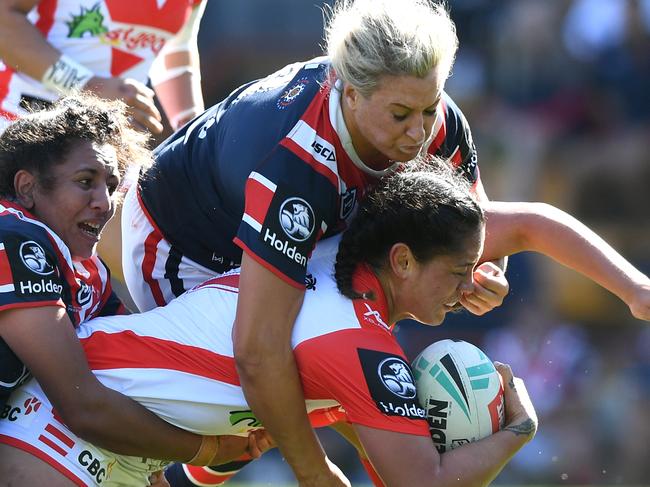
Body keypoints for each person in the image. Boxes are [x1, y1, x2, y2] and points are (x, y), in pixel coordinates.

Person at [121, 2, 509, 483]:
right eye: (401, 114)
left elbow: (487, 225)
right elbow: (258, 350)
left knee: (339, 354)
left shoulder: (434, 116)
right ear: (349, 93)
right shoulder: (296, 163)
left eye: (429, 109)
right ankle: (181, 471)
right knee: (259, 388)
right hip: (186, 246)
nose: (419, 132)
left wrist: (486, 269)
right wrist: (314, 471)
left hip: (300, 225)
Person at [0, 163, 539, 487]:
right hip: (64, 433)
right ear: (401, 261)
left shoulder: (331, 263)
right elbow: (421, 482)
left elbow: (386, 463)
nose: (468, 287)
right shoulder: (357, 344)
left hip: (117, 449)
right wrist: (520, 431)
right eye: (457, 272)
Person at [0, 94, 262, 470]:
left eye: (111, 185)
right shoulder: (14, 237)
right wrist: (207, 451)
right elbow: (84, 407)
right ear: (27, 187)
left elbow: (130, 371)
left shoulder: (89, 271)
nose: (104, 203)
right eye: (85, 181)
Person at [0, 0, 206, 134]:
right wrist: (87, 86)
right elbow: (4, 19)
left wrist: (193, 129)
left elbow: (175, 45)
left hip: (114, 138)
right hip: (20, 121)